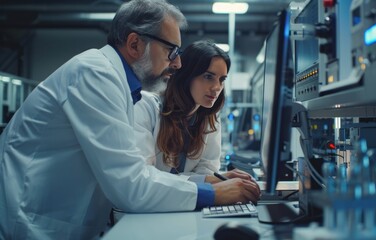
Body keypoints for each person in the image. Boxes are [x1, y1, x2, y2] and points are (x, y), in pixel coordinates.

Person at [0, 0, 260, 239]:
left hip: (61, 222)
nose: (177, 63)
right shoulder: (95, 74)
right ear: (135, 44)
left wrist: (210, 185)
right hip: (31, 221)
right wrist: (212, 193)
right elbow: (131, 184)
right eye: (171, 51)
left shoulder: (118, 84)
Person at [134, 40, 253, 184]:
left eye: (222, 80)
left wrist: (213, 180)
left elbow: (207, 169)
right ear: (187, 76)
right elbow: (144, 176)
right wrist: (205, 181)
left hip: (185, 201)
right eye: (208, 77)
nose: (217, 87)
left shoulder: (209, 116)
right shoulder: (146, 106)